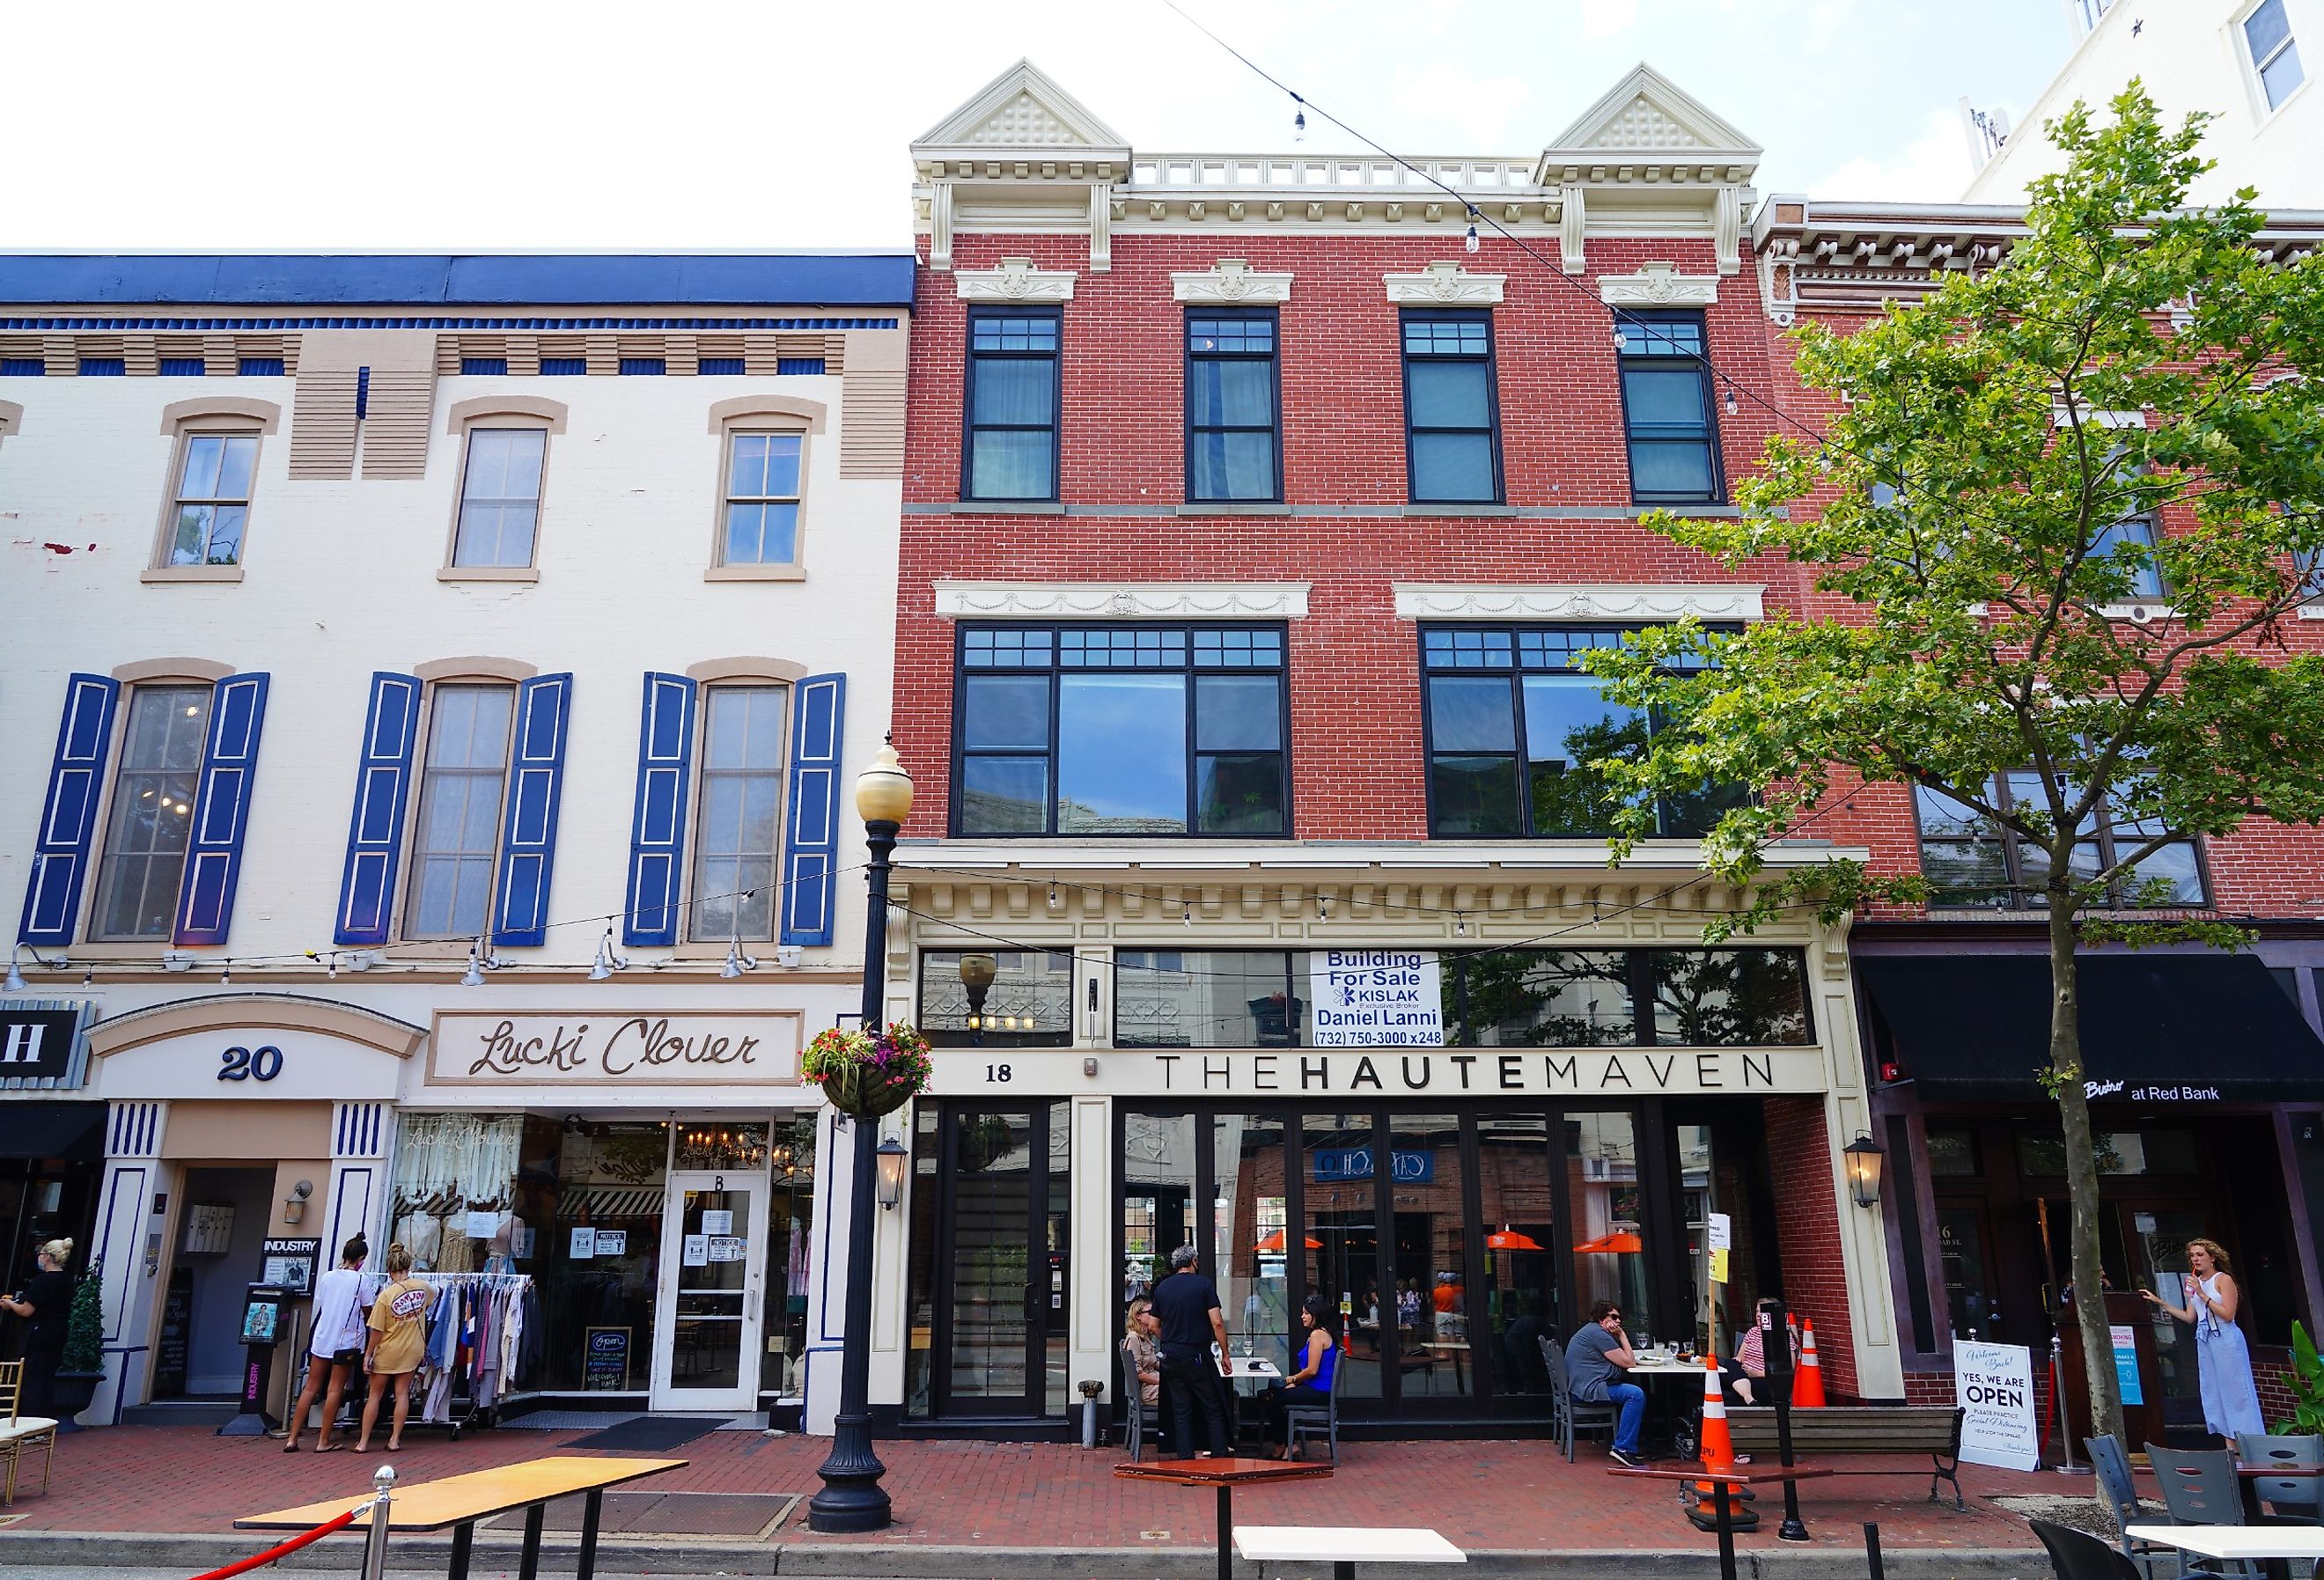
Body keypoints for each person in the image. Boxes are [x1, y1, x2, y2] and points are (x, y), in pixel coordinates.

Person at [2143, 1238, 2266, 1442]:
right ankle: (2230, 1446)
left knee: (2236, 1390)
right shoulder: (2195, 1282)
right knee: (2215, 1390)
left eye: (2200, 1255)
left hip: (2225, 1338)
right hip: (2205, 1340)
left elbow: (2228, 1314)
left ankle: (2250, 1441)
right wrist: (2159, 1301)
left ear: (2212, 1257)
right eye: (2192, 1256)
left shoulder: (2222, 1279)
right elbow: (2189, 1316)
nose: (2196, 1259)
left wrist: (2202, 1294)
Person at [283, 1235, 369, 1452]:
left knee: (311, 1386)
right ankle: (323, 1440)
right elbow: (368, 1310)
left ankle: (292, 1438)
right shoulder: (361, 1280)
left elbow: (324, 1302)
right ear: (361, 1258)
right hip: (345, 1339)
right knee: (335, 1389)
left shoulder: (327, 1277)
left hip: (322, 1335)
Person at [1149, 1244, 1232, 1458]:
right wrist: (1225, 1354)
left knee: (1181, 1411)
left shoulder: (1162, 1288)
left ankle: (1186, 1461)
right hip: (1197, 1355)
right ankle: (1219, 1458)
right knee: (1212, 1407)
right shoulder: (1203, 1285)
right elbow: (1217, 1323)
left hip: (1171, 1356)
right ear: (1193, 1261)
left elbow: (1152, 1325)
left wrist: (1170, 1342)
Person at [356, 1243, 430, 1452]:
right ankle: (395, 1439)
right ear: (409, 1266)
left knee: (375, 1395)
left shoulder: (386, 1296)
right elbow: (433, 1298)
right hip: (412, 1348)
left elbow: (377, 1330)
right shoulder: (422, 1287)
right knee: (402, 1394)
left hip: (388, 1349)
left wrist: (368, 1354)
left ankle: (363, 1442)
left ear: (389, 1271)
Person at [0, 1238, 77, 1422]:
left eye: (42, 1254)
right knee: (47, 1377)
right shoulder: (67, 1280)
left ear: (48, 1257)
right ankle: (44, 1422)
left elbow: (27, 1310)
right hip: (58, 1332)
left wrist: (10, 1304)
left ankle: (29, 1422)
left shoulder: (43, 1281)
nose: (39, 1258)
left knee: (31, 1379)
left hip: (39, 1333)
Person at [1566, 1299, 1646, 1467]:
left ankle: (1630, 1442)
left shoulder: (1592, 1331)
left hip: (1582, 1386)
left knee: (1632, 1391)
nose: (1618, 1321)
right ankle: (1623, 1448)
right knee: (1635, 1395)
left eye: (1620, 1318)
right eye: (1614, 1317)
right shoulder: (1599, 1334)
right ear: (1602, 1319)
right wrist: (1622, 1335)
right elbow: (1629, 1362)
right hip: (1591, 1389)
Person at [1264, 1295, 1341, 1459]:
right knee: (1272, 1393)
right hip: (1314, 1388)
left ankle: (1284, 1445)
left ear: (1316, 1314)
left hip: (1319, 1392)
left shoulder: (1317, 1335)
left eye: (1306, 1313)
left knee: (1272, 1397)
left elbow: (1312, 1370)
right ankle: (1286, 1443)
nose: (1302, 1317)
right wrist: (1296, 1385)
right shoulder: (1320, 1333)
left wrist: (1292, 1379)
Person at [1723, 1296, 1798, 1406]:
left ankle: (1747, 1399)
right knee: (1730, 1363)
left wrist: (1757, 1373)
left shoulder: (1782, 1337)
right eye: (1757, 1311)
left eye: (1761, 1312)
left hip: (1765, 1379)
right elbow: (1739, 1358)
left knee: (1736, 1391)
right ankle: (1747, 1397)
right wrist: (1741, 1367)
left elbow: (1788, 1369)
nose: (1758, 1315)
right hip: (1743, 1375)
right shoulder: (1753, 1332)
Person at [1122, 1297, 1162, 1415]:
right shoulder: (1134, 1338)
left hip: (1153, 1385)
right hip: (1148, 1391)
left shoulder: (1146, 1337)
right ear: (1138, 1316)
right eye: (1150, 1312)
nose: (1154, 1315)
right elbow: (1138, 1373)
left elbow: (1153, 1364)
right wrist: (1163, 1380)